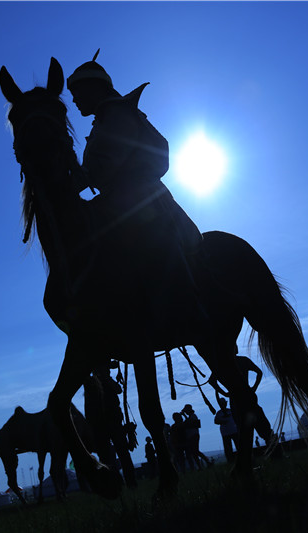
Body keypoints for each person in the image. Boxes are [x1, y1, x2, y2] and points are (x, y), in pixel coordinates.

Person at [66, 51, 206, 333]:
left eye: (77, 92)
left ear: (95, 88)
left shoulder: (117, 114)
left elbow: (106, 163)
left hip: (139, 201)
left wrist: (75, 178)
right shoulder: (104, 120)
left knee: (147, 245)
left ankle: (184, 305)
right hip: (117, 200)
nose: (74, 100)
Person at [82, 361, 137, 488]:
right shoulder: (91, 383)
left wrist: (106, 378)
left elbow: (118, 389)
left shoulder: (107, 381)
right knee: (107, 455)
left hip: (112, 422)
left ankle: (129, 482)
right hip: (100, 424)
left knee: (121, 452)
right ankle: (114, 482)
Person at [214, 396, 238, 463]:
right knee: (228, 449)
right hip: (226, 433)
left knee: (238, 446)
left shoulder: (231, 410)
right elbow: (216, 421)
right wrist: (222, 421)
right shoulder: (219, 413)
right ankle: (230, 461)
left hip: (234, 431)